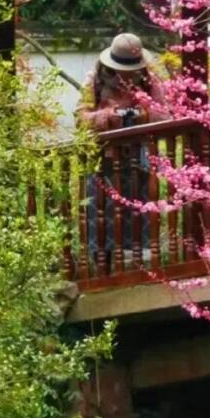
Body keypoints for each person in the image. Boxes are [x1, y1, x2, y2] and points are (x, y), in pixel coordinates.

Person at [79, 33, 169, 271]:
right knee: (101, 215)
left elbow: (164, 115)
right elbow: (81, 118)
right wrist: (108, 116)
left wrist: (142, 114)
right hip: (104, 159)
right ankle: (102, 267)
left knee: (137, 216)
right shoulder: (94, 81)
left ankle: (139, 267)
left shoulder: (150, 81)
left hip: (138, 158)